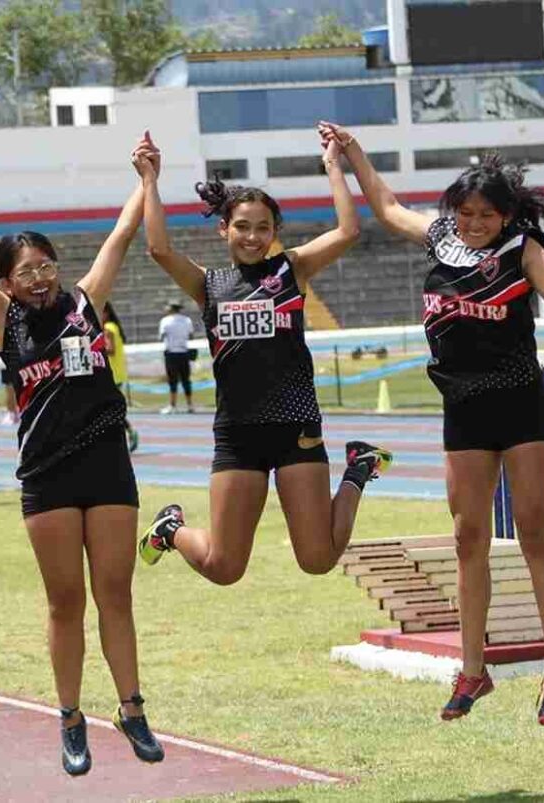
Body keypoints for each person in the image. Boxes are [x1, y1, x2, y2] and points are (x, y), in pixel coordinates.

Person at [321, 121, 544, 726]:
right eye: (465, 212)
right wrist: (352, 153)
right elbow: (385, 207)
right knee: (468, 539)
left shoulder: (524, 248)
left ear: (507, 215)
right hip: (461, 408)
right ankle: (472, 670)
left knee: (535, 531)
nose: (474, 222)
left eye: (486, 214)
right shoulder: (440, 239)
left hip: (519, 406)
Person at [0, 137, 165, 777]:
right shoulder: (4, 319)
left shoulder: (84, 303)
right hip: (46, 476)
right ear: (8, 282)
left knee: (116, 594)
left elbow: (123, 237)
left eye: (47, 264)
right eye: (26, 271)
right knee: (65, 601)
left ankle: (131, 709)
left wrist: (148, 178)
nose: (41, 277)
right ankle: (71, 718)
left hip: (107, 470)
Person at [134, 129, 393, 589]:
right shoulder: (207, 284)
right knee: (223, 568)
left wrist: (334, 165)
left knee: (317, 560)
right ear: (223, 228)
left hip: (296, 427)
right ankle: (171, 529)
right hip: (238, 434)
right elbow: (158, 249)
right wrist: (149, 180)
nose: (252, 237)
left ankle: (358, 468)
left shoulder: (290, 269)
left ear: (275, 233)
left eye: (263, 228)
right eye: (242, 226)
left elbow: (349, 230)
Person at [102, 302, 139, 452]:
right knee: (109, 408)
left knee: (109, 409)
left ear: (106, 313)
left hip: (111, 374)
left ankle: (128, 432)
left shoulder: (107, 328)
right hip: (117, 373)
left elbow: (110, 349)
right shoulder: (114, 327)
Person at [158, 301, 195, 414]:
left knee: (172, 380)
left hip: (171, 353)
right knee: (186, 380)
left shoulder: (165, 321)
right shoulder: (187, 320)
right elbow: (191, 336)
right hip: (184, 352)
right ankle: (190, 405)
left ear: (171, 308)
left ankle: (173, 405)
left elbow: (161, 336)